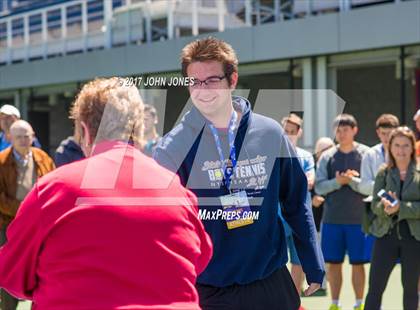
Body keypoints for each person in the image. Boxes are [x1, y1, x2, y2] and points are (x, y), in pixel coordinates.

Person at [0, 78, 213, 309]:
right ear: (139, 129)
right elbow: (199, 257)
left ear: (84, 130)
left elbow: (13, 272)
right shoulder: (176, 189)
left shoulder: (54, 189)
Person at [154, 37, 324, 310]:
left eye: (211, 80)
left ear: (232, 80)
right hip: (210, 290)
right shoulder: (173, 147)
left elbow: (295, 200)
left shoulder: (269, 133)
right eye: (194, 82)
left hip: (271, 282)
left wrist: (311, 259)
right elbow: (161, 221)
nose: (203, 90)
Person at [315, 114, 370, 310]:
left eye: (345, 129)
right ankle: (335, 304)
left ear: (355, 130)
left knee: (358, 264)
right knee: (333, 264)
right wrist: (337, 182)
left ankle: (359, 304)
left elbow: (371, 187)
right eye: (338, 130)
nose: (341, 133)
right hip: (332, 221)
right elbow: (319, 187)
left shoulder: (366, 154)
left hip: (359, 221)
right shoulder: (327, 156)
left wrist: (352, 181)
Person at [0, 120, 55, 309]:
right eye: (19, 137)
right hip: (8, 225)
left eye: (27, 136)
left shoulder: (43, 158)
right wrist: (25, 210)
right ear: (9, 138)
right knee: (10, 272)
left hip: (40, 226)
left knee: (40, 270)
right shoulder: (1, 161)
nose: (24, 141)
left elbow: (54, 185)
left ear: (33, 136)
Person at [364, 126, 420, 310]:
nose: (401, 150)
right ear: (390, 147)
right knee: (375, 289)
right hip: (385, 237)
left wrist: (400, 207)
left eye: (405, 145)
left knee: (411, 290)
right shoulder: (383, 172)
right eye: (397, 145)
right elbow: (375, 205)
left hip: (414, 239)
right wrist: (386, 209)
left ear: (412, 147)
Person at [280, 113, 315, 301]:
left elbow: (309, 181)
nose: (289, 134)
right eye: (286, 131)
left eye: (292, 132)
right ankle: (280, 299)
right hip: (277, 217)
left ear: (299, 133)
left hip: (299, 217)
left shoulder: (306, 156)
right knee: (276, 260)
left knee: (298, 261)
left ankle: (294, 300)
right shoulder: (271, 155)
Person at [354, 114, 399, 197]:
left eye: (389, 133)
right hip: (377, 205)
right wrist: (386, 190)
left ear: (396, 132)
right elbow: (364, 186)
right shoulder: (370, 154)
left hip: (403, 203)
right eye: (383, 133)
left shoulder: (405, 153)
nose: (386, 137)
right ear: (378, 132)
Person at [312, 137, 335, 233]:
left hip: (336, 220)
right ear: (317, 154)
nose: (328, 153)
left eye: (331, 148)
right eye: (324, 150)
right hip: (316, 223)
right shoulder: (310, 169)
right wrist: (312, 199)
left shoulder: (338, 169)